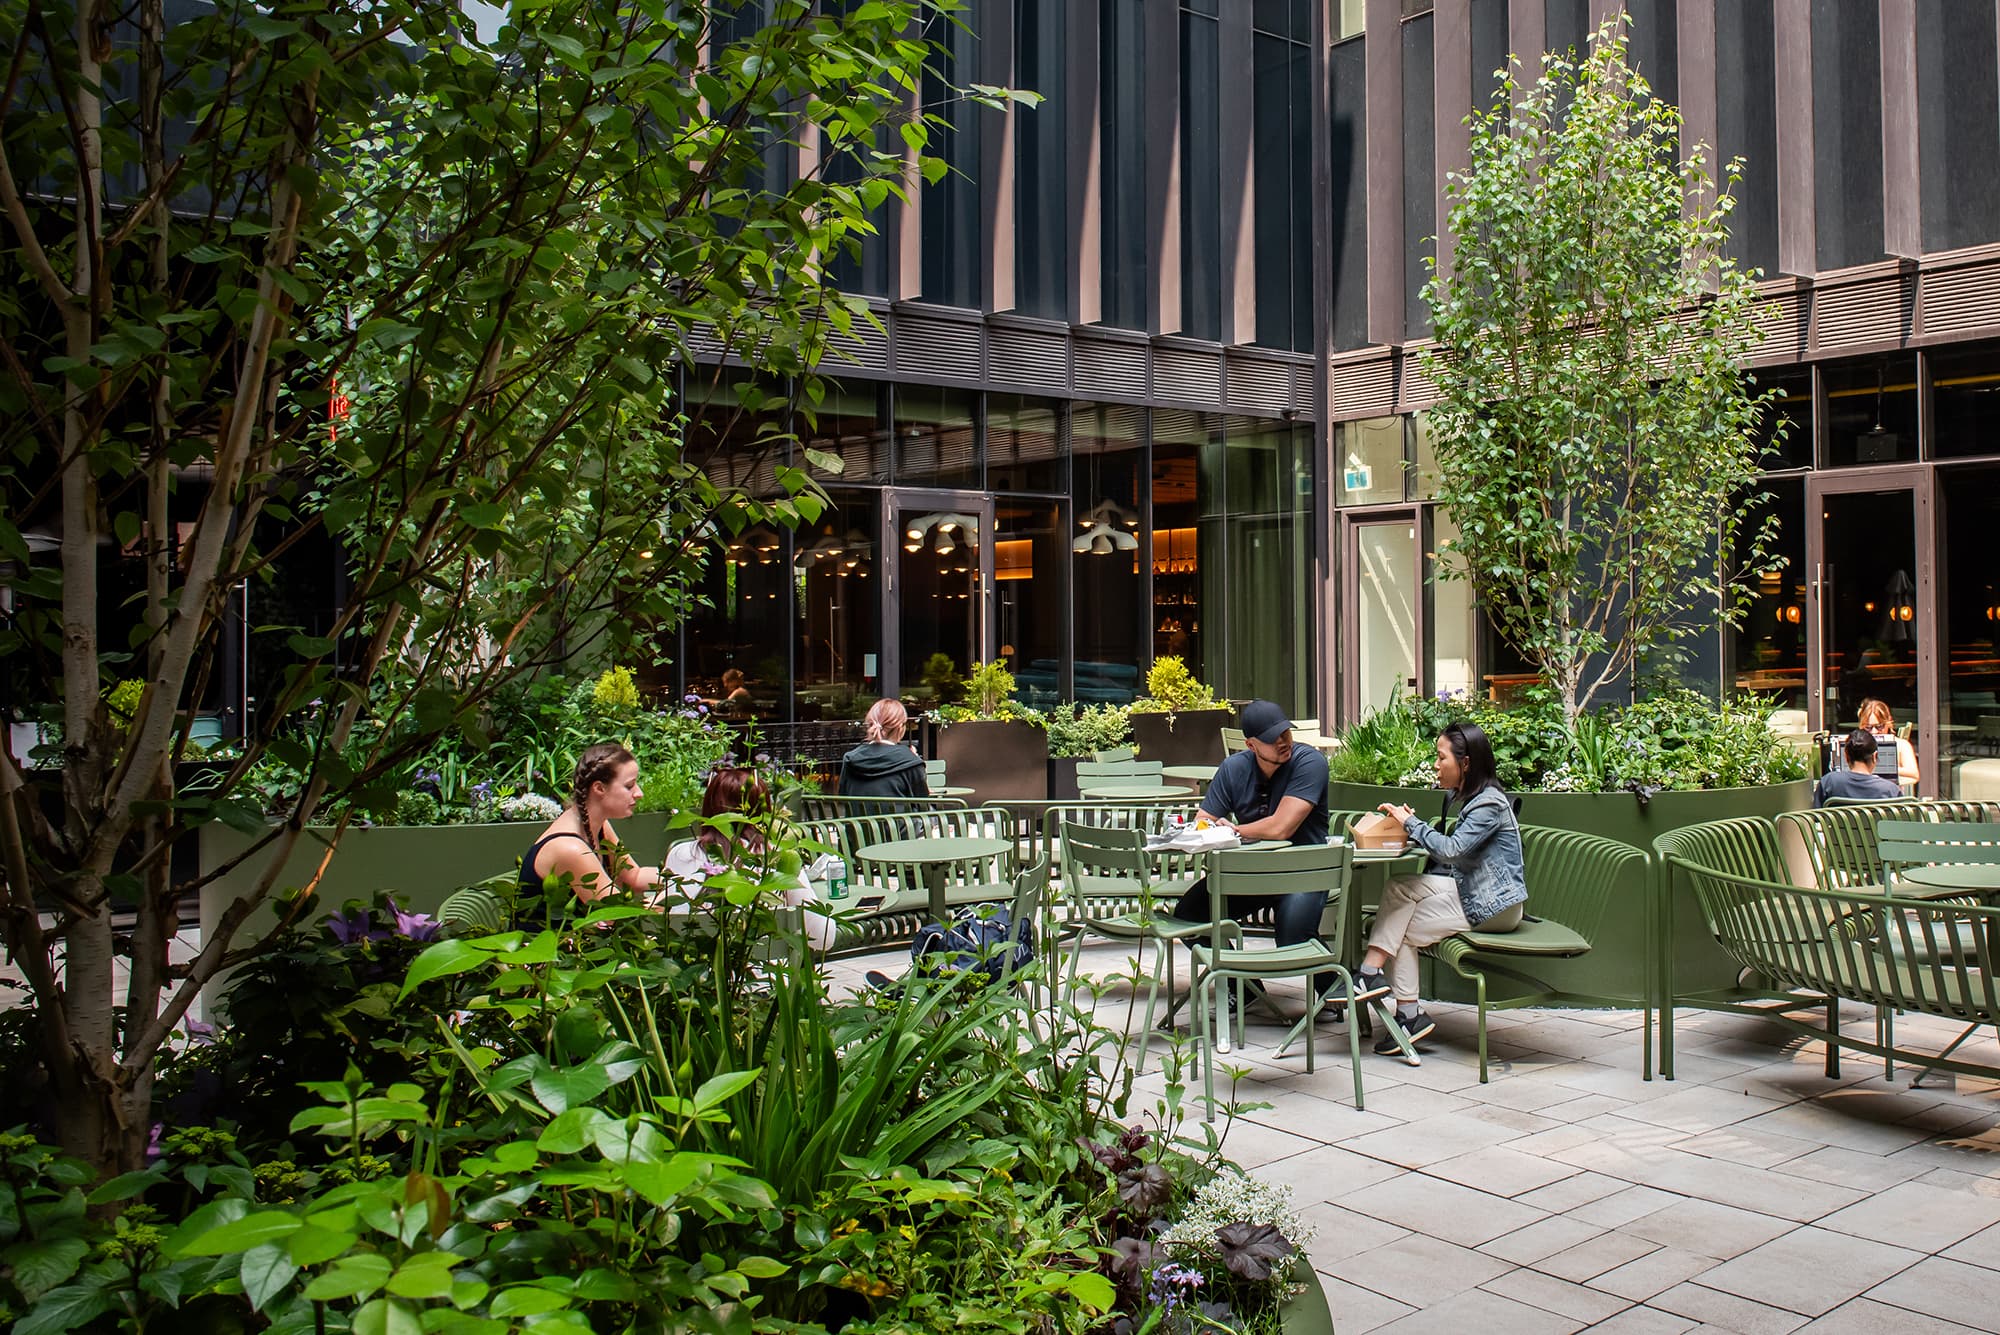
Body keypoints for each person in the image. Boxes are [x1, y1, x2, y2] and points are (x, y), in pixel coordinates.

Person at [1338, 722, 1525, 1055]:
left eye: (1441, 758)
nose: (1436, 765)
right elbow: (1450, 849)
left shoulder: (1489, 804)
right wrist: (1414, 827)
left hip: (1494, 907)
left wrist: (1412, 824)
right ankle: (1382, 988)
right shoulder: (1469, 797)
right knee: (1399, 888)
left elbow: (1452, 850)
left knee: (1402, 927)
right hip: (1472, 891)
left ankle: (1399, 1005)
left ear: (1465, 763)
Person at [1169, 699, 1334, 999]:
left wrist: (1233, 829)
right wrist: (1205, 830)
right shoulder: (1233, 769)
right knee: (1189, 915)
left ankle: (1335, 991)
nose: (1284, 742)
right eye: (1273, 739)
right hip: (1251, 874)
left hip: (1305, 872)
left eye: (1286, 733)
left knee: (1293, 937)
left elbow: (1281, 827)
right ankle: (1243, 986)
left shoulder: (1310, 763)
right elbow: (1203, 822)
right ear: (1251, 744)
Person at [662, 765, 837, 952]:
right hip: (765, 977)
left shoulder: (681, 854)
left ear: (708, 808)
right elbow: (823, 937)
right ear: (764, 810)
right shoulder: (775, 857)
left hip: (696, 976)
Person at [520, 742, 663, 903]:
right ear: (599, 788)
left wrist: (686, 877)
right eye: (629, 786)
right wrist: (670, 899)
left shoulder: (599, 825)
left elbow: (633, 878)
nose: (639, 793)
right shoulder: (570, 848)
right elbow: (615, 914)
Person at [839, 699, 932, 799]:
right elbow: (922, 802)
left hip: (859, 815)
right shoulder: (911, 761)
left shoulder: (850, 758)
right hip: (899, 815)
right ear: (900, 727)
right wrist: (913, 758)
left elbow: (843, 794)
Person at [1815, 728, 1903, 807]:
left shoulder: (1829, 782)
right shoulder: (1891, 791)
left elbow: (1816, 816)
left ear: (1846, 756)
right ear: (1874, 756)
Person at [1854, 698, 1919, 794]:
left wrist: (1885, 768)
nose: (1874, 732)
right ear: (1861, 726)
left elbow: (1913, 774)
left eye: (1879, 726)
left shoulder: (1901, 745)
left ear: (1888, 723)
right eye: (1868, 727)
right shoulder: (1855, 745)